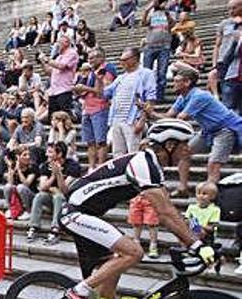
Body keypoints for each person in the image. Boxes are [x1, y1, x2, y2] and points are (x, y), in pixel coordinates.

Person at [59, 119, 213, 299]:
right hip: (75, 212)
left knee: (113, 268)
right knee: (133, 252)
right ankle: (78, 291)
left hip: (87, 213)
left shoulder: (152, 166)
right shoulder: (142, 163)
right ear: (168, 145)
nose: (188, 149)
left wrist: (196, 238)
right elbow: (164, 213)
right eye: (183, 144)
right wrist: (197, 246)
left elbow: (169, 208)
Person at [145, 63, 242, 196]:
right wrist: (150, 112)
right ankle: (183, 188)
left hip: (225, 129)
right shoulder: (182, 97)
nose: (173, 83)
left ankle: (209, 196)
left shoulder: (199, 96)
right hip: (208, 131)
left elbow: (180, 118)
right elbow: (168, 117)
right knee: (184, 153)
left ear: (187, 82)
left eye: (177, 81)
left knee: (213, 163)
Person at [98, 47, 157, 156]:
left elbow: (151, 98)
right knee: (117, 153)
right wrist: (99, 80)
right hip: (116, 118)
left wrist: (142, 119)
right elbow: (103, 94)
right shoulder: (121, 78)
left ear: (134, 59)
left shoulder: (146, 74)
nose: (121, 62)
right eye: (121, 60)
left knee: (133, 152)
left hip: (132, 119)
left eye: (124, 59)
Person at [29, 142, 81, 243]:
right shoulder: (45, 165)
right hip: (52, 199)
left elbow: (65, 191)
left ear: (60, 154)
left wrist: (59, 174)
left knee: (58, 196)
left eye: (50, 152)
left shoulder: (73, 166)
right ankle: (34, 227)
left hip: (69, 203)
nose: (46, 154)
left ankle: (55, 229)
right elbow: (42, 187)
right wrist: (53, 176)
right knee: (39, 196)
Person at [75, 48, 117, 169]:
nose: (90, 60)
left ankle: (100, 167)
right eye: (89, 58)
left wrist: (84, 88)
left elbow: (104, 91)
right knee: (90, 142)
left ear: (101, 58)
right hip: (88, 108)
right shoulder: (92, 71)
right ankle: (91, 167)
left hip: (100, 108)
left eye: (93, 58)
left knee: (100, 142)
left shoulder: (107, 68)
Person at [210, 0, 242, 115]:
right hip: (226, 67)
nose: (231, 11)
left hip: (239, 64)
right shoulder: (224, 24)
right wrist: (215, 64)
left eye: (234, 8)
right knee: (227, 101)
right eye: (229, 9)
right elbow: (217, 45)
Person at [142, 0, 175, 102]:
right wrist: (148, 9)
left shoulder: (170, 13)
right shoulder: (151, 13)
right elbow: (143, 23)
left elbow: (172, 24)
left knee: (162, 72)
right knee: (147, 72)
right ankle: (146, 96)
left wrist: (166, 12)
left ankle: (160, 96)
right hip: (150, 46)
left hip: (164, 47)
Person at [39, 34, 79, 117]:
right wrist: (42, 61)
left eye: (59, 43)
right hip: (54, 91)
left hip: (64, 90)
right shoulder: (58, 57)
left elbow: (61, 66)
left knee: (64, 116)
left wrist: (47, 59)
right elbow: (49, 72)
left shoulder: (72, 53)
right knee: (53, 117)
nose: (57, 45)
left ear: (66, 43)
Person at [128, 193, 162, 258]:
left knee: (152, 223)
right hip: (136, 197)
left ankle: (153, 246)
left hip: (151, 198)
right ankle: (136, 244)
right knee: (136, 223)